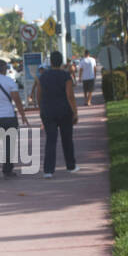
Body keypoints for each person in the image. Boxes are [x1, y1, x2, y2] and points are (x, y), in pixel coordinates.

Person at [34, 50, 79, 178]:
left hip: (48, 111)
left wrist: (41, 109)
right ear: (61, 62)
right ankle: (71, 166)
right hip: (64, 111)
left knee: (50, 140)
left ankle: (48, 170)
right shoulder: (66, 76)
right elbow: (70, 95)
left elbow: (39, 95)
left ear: (51, 62)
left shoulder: (43, 76)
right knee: (67, 140)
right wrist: (75, 112)